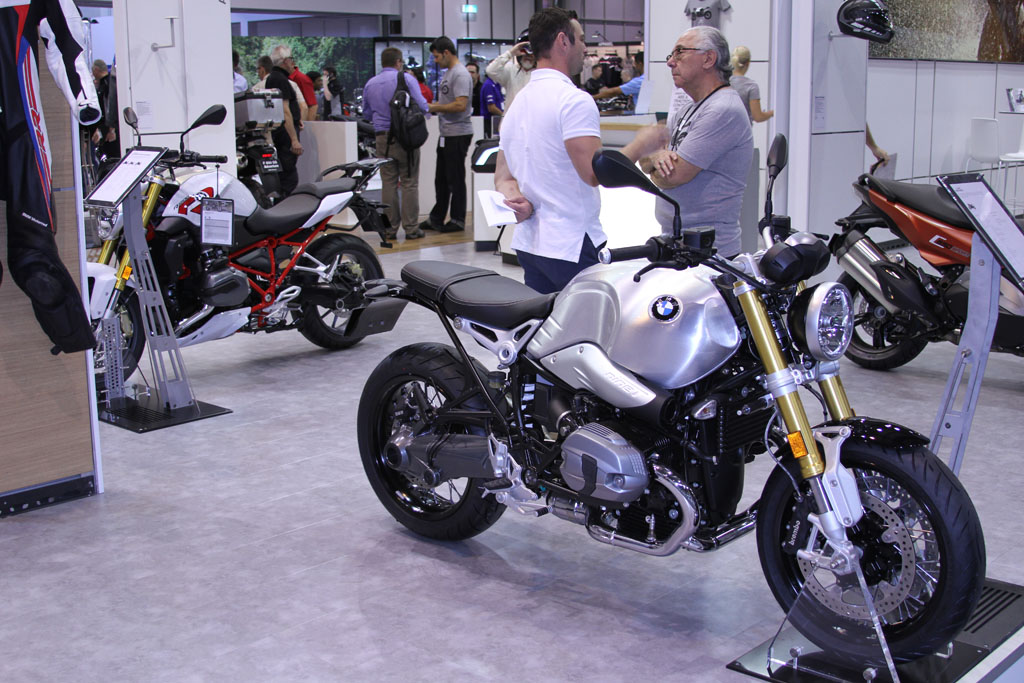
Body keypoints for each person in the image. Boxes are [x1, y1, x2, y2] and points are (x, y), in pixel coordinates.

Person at [496, 7, 604, 294]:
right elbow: (593, 173)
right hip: (572, 243)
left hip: (532, 245)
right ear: (563, 41)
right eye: (582, 39)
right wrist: (642, 145)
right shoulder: (574, 101)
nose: (585, 48)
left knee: (545, 320)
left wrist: (517, 199)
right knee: (587, 320)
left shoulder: (516, 104)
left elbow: (503, 178)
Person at [621, 26, 752, 258]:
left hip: (711, 253)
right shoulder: (688, 110)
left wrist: (657, 163)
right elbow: (647, 160)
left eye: (680, 53)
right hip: (678, 244)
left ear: (708, 59)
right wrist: (656, 156)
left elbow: (672, 176)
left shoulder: (723, 109)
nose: (670, 62)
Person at [363, 47, 430, 240]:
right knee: (409, 182)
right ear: (398, 62)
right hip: (405, 138)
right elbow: (423, 106)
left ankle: (390, 229)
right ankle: (411, 228)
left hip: (382, 138)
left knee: (388, 182)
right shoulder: (407, 79)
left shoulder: (370, 83)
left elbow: (367, 113)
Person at [419, 36, 473, 233]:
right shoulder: (449, 73)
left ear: (446, 53)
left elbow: (460, 105)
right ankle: (437, 217)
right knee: (441, 178)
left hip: (457, 133)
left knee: (455, 178)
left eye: (436, 56)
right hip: (446, 133)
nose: (435, 60)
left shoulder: (460, 74)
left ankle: (458, 219)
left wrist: (433, 107)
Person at [266, 45, 304, 195]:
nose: (293, 63)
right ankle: (287, 206)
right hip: (285, 136)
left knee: (284, 176)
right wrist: (294, 139)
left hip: (280, 133)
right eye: (291, 59)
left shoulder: (273, 78)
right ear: (285, 61)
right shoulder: (281, 80)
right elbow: (285, 111)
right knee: (289, 178)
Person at [485, 29, 536, 109]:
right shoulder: (510, 70)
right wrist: (510, 53)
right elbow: (490, 71)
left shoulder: (541, 74)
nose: (528, 55)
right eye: (524, 51)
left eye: (532, 52)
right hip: (513, 116)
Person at [729, 46, 772, 124]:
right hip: (743, 129)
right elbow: (758, 117)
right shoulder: (751, 86)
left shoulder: (723, 83)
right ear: (748, 63)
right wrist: (772, 113)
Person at [288, 56, 317, 121]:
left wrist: (307, 124)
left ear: (292, 64)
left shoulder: (302, 79)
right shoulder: (284, 78)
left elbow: (313, 106)